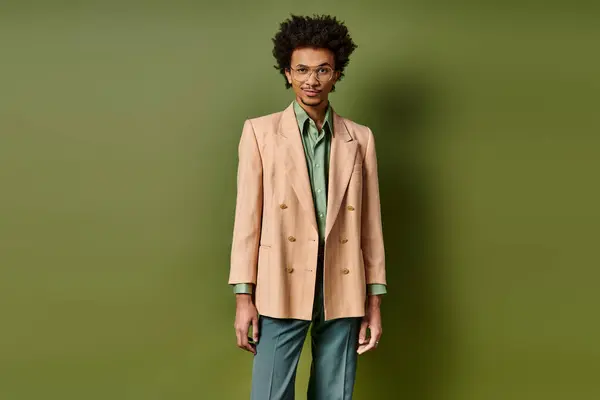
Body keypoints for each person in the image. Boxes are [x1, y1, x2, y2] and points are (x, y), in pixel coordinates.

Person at [228, 13, 387, 400]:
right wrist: (243, 298)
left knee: (335, 394)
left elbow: (370, 226)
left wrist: (374, 300)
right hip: (279, 279)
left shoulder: (360, 138)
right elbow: (247, 219)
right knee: (270, 393)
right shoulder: (260, 133)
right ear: (287, 72)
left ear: (336, 74)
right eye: (301, 69)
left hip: (342, 283)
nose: (311, 80)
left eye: (322, 70)